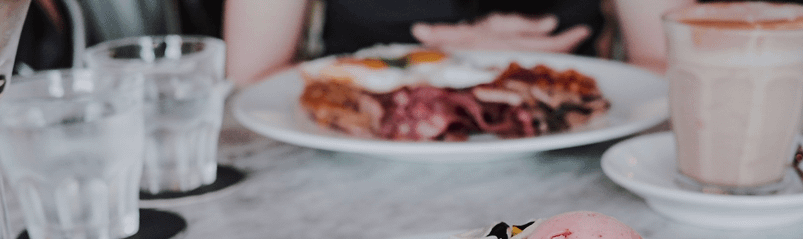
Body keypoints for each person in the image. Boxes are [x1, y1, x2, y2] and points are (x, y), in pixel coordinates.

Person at [223, 0, 695, 86]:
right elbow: (250, 76)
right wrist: (434, 64)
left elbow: (677, 66)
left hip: (572, 158)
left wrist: (516, 67)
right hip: (341, 164)